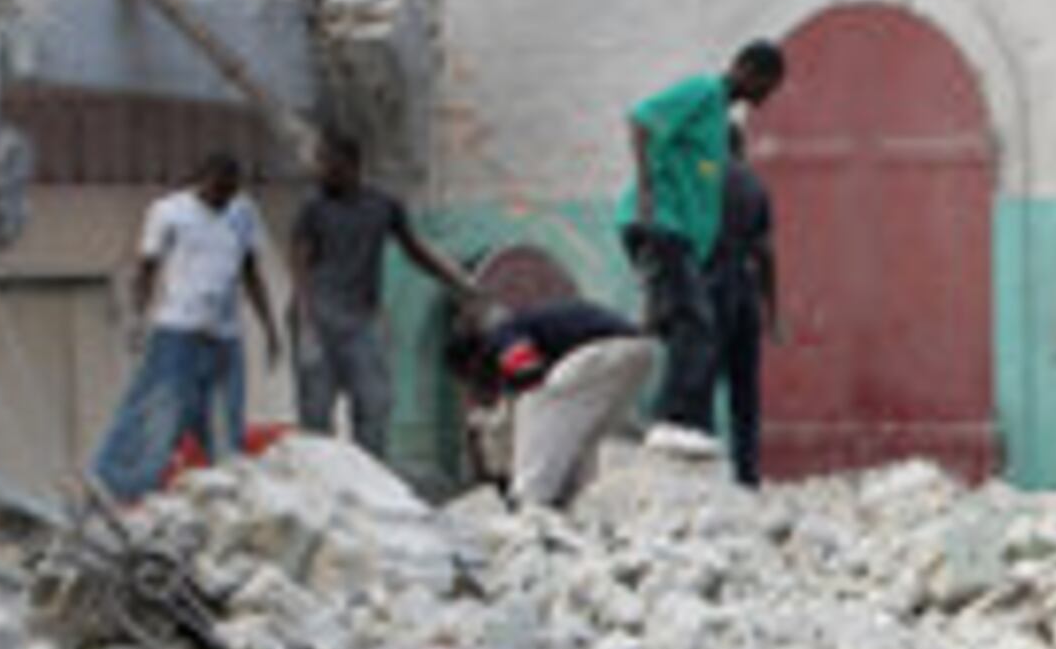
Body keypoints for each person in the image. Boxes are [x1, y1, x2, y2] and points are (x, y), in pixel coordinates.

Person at [90, 151, 282, 503]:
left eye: (231, 191)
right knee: (157, 413)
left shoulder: (243, 212)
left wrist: (269, 326)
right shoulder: (169, 212)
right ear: (203, 181)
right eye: (218, 191)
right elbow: (147, 268)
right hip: (179, 329)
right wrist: (137, 317)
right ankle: (119, 486)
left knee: (226, 417)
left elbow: (251, 270)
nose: (224, 198)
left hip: (224, 334)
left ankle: (225, 489)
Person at [624, 40, 787, 441]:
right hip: (661, 224)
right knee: (698, 326)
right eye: (769, 86)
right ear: (750, 71)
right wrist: (647, 197)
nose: (767, 99)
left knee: (690, 327)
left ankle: (684, 425)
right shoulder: (703, 90)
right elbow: (641, 120)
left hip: (682, 238)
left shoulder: (717, 120)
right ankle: (671, 423)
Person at [288, 132, 477, 462]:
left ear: (351, 165)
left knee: (374, 406)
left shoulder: (383, 206)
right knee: (316, 415)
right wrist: (306, 324)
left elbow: (415, 250)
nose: (319, 170)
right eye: (318, 162)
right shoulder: (312, 208)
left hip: (362, 322)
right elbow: (300, 265)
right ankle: (318, 485)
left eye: (326, 162)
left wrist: (459, 281)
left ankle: (371, 483)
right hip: (319, 320)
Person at [449, 295, 661, 511]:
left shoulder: (501, 334)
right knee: (586, 435)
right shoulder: (530, 329)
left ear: (475, 356)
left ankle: (530, 498)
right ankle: (579, 497)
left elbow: (527, 373)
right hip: (637, 351)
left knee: (539, 402)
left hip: (606, 349)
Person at [709, 121, 779, 486]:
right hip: (746, 289)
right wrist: (773, 310)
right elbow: (766, 251)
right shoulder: (754, 184)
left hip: (708, 286)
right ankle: (747, 475)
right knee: (744, 389)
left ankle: (698, 472)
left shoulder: (702, 181)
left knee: (700, 381)